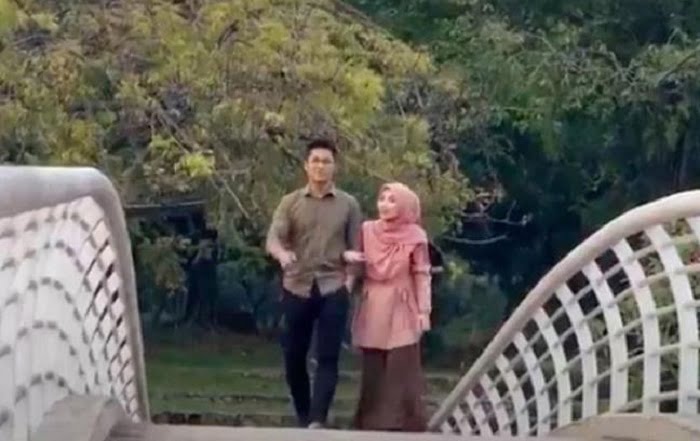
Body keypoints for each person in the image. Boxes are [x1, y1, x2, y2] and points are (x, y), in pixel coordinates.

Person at [265, 139, 363, 429]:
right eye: (316, 161)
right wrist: (282, 255)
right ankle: (304, 415)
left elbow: (356, 245)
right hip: (297, 285)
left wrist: (350, 281)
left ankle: (317, 421)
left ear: (335, 167)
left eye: (326, 161)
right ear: (306, 166)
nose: (321, 166)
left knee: (328, 356)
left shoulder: (348, 204)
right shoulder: (290, 202)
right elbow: (274, 238)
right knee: (294, 357)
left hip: (333, 286)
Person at [344, 182, 431, 432]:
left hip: (403, 301)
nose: (384, 205)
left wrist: (424, 311)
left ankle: (400, 422)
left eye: (392, 200)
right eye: (382, 199)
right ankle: (370, 422)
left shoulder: (416, 236)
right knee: (373, 363)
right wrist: (348, 271)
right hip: (373, 302)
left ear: (405, 205)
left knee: (400, 361)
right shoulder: (367, 230)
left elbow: (422, 273)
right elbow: (355, 266)